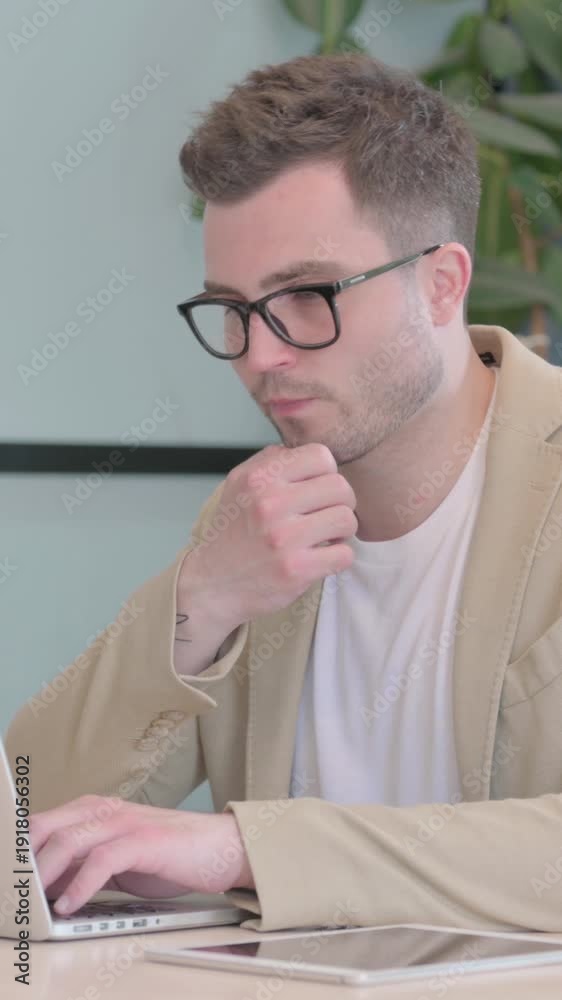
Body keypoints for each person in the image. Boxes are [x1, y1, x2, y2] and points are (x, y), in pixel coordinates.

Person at [7, 52, 562, 934]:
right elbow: (24, 827)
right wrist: (201, 599)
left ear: (441, 285)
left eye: (306, 296)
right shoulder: (254, 524)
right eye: (232, 308)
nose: (260, 355)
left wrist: (245, 850)